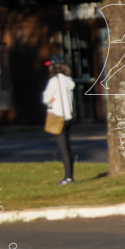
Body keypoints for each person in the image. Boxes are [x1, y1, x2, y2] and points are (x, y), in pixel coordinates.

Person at [42, 55, 76, 185]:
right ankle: (69, 175)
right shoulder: (68, 80)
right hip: (68, 117)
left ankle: (68, 177)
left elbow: (45, 98)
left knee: (63, 149)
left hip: (58, 117)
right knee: (68, 147)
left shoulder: (54, 81)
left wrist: (51, 100)